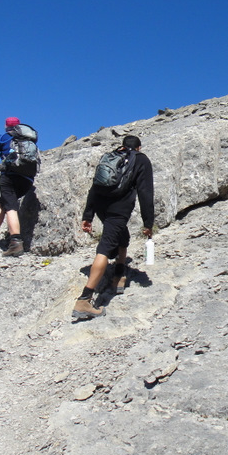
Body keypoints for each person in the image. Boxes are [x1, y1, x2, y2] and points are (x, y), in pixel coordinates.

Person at [73, 135, 154, 321]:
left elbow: (95, 186)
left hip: (101, 205)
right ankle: (85, 300)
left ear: (123, 146)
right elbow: (145, 192)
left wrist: (88, 215)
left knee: (121, 235)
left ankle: (118, 275)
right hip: (120, 209)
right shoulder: (141, 159)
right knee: (106, 246)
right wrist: (148, 223)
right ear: (139, 147)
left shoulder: (111, 156)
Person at [0, 117, 36, 257]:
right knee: (3, 201)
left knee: (10, 206)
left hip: (10, 175)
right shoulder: (28, 139)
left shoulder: (3, 138)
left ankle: (16, 242)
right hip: (27, 179)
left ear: (6, 126)